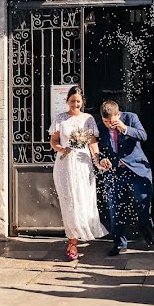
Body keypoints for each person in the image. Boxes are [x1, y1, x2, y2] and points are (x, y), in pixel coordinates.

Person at [49, 86, 108, 260]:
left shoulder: (88, 119)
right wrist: (61, 148)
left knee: (83, 200)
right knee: (69, 202)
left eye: (78, 101)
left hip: (83, 165)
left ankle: (82, 232)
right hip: (65, 165)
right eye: (73, 101)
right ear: (67, 101)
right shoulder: (60, 119)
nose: (75, 104)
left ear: (82, 103)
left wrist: (97, 161)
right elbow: (53, 141)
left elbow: (92, 143)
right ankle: (72, 242)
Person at [95, 100, 154, 255]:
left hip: (136, 170)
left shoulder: (130, 118)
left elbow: (143, 136)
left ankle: (147, 232)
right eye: (105, 121)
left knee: (142, 205)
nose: (108, 124)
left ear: (118, 114)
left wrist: (125, 128)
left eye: (112, 121)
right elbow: (98, 147)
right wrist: (102, 159)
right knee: (115, 208)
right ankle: (120, 244)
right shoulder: (100, 125)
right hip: (114, 172)